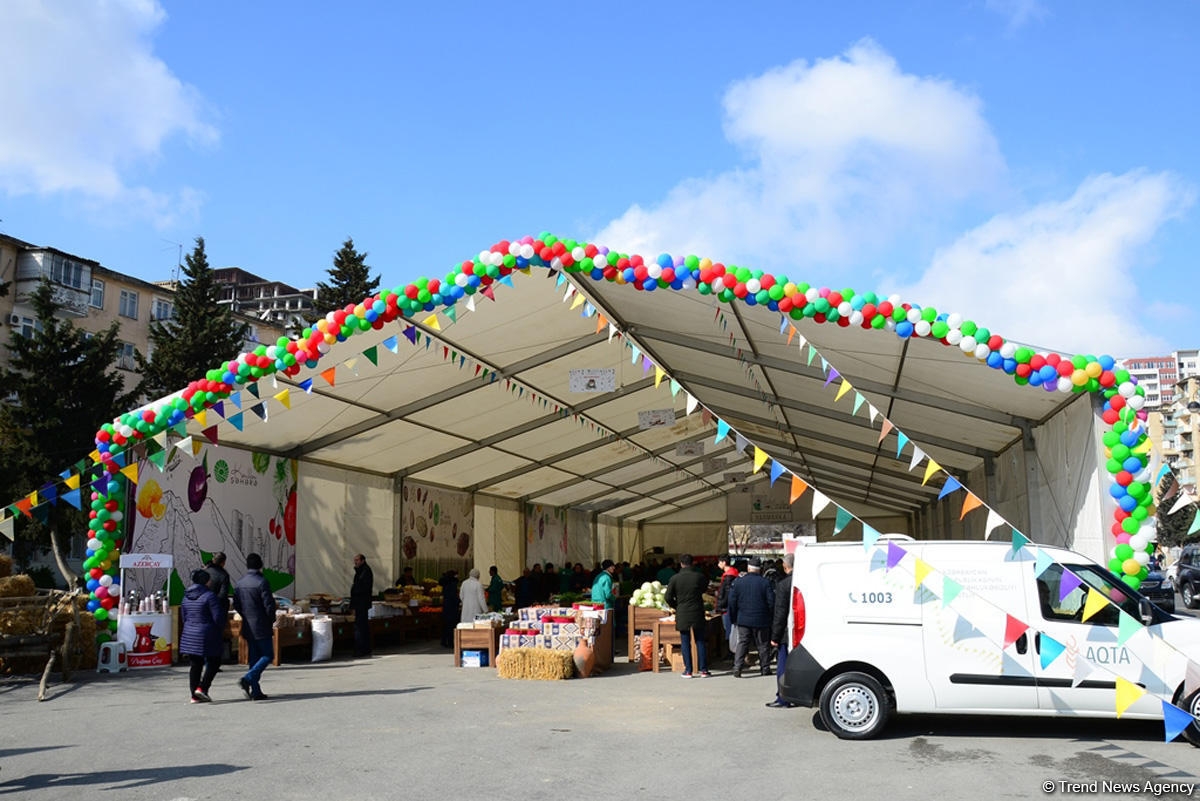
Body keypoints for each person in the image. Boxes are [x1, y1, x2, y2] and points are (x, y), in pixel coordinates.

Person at [232, 553, 276, 700]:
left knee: (254, 657)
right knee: (268, 655)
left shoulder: (240, 583)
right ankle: (248, 678)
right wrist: (271, 619)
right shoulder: (262, 582)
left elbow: (237, 604)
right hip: (261, 624)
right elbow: (268, 605)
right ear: (260, 565)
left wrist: (245, 614)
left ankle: (255, 691)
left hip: (247, 624)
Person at [664, 554, 711, 678]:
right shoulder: (700, 577)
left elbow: (667, 597)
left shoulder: (675, 578)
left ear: (681, 564)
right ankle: (704, 670)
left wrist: (676, 606)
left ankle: (688, 670)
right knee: (700, 641)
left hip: (682, 612)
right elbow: (704, 589)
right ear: (693, 563)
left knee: (685, 641)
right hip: (697, 611)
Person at [727, 556, 775, 678]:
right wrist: (770, 616)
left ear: (748, 568)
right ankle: (765, 668)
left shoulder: (738, 582)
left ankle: (737, 667)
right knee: (763, 644)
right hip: (762, 619)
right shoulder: (765, 583)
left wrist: (733, 618)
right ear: (760, 569)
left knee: (742, 643)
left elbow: (732, 602)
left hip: (743, 618)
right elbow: (771, 602)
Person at [180, 568, 223, 703]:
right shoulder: (210, 596)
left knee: (195, 664)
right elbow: (218, 618)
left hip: (189, 633)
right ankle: (202, 688)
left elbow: (184, 617)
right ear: (206, 581)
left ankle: (194, 695)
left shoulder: (186, 597)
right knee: (214, 662)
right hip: (207, 633)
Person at [766, 553, 795, 707]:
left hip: (786, 632)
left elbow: (780, 613)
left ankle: (783, 697)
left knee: (782, 665)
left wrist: (774, 636)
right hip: (804, 631)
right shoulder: (806, 581)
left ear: (785, 566)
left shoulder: (783, 585)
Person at [350, 553, 374, 658]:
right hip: (361, 602)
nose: (355, 562)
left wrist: (354, 596)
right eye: (355, 560)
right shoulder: (361, 571)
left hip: (361, 602)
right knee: (363, 625)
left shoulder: (365, 571)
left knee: (360, 626)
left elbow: (360, 587)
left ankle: (360, 649)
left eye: (357, 560)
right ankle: (365, 648)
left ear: (363, 560)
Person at [714, 555, 739, 643]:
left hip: (727, 607)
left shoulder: (729, 576)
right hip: (729, 606)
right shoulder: (733, 573)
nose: (718, 564)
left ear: (724, 563)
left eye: (719, 562)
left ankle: (730, 650)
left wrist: (720, 605)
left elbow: (727, 594)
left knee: (728, 629)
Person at [204, 551, 231, 619]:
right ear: (223, 563)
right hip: (216, 610)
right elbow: (222, 595)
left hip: (203, 607)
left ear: (213, 560)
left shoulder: (204, 572)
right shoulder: (224, 575)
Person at [439, 569, 460, 648]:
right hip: (452, 607)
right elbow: (453, 596)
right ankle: (451, 642)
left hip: (446, 606)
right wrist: (458, 601)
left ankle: (444, 640)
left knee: (445, 624)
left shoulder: (445, 583)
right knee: (451, 625)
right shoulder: (452, 584)